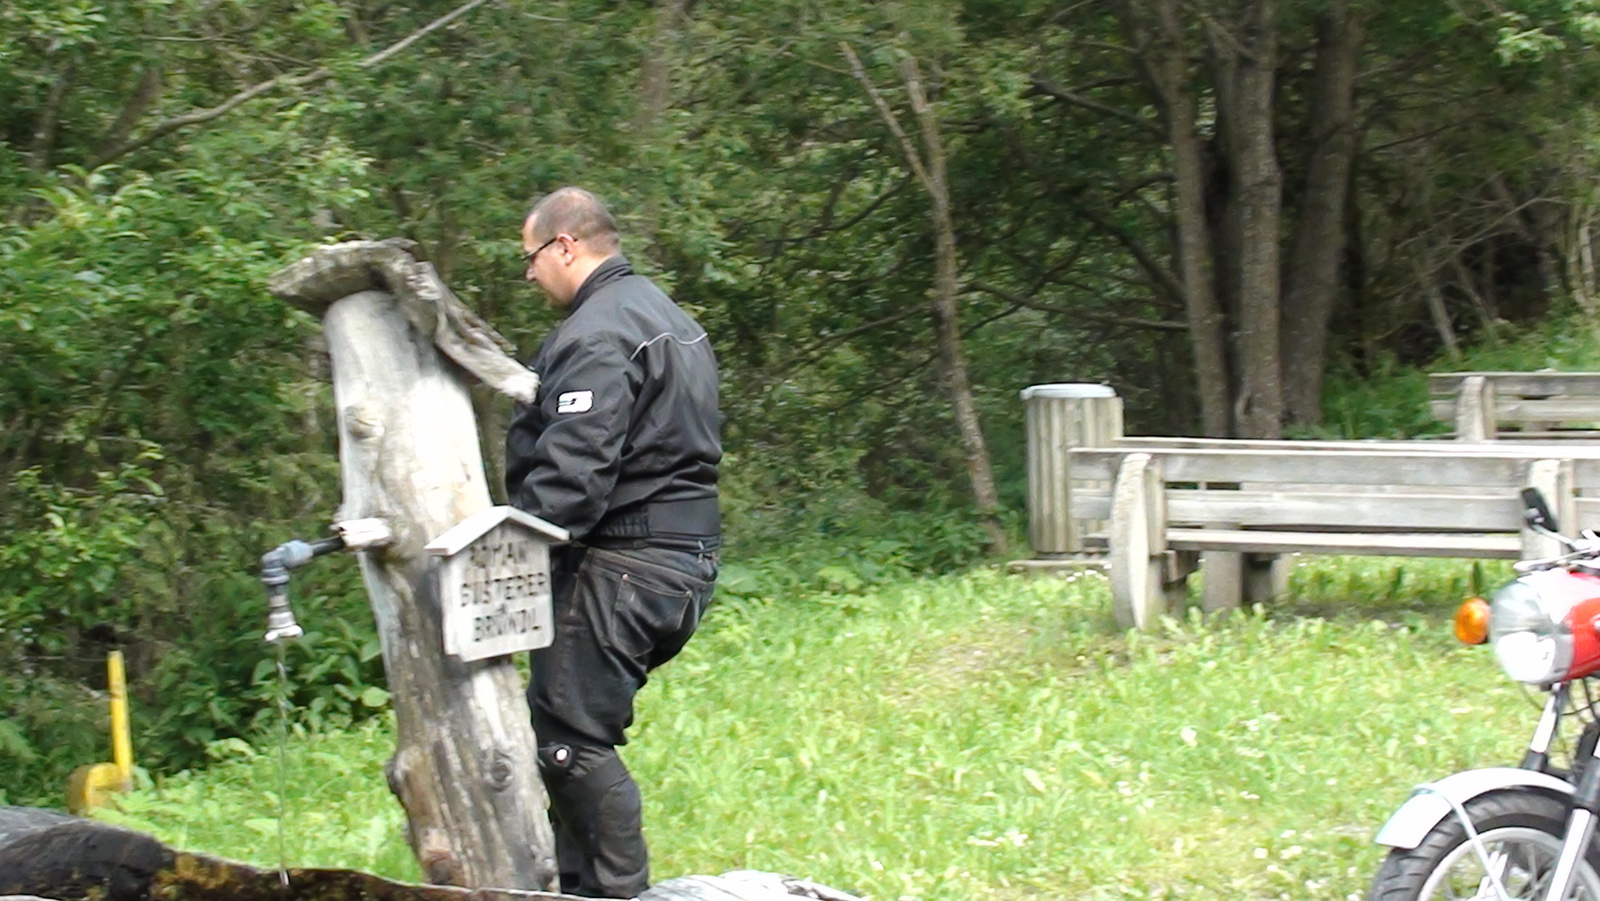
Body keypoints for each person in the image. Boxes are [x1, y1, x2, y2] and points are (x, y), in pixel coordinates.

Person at [504, 187, 721, 899]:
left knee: (569, 744)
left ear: (566, 245)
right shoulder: (670, 316)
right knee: (570, 730)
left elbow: (573, 479)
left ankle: (615, 894)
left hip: (623, 563)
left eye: (531, 257)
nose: (529, 274)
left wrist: (507, 556)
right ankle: (577, 889)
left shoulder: (596, 331)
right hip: (683, 562)